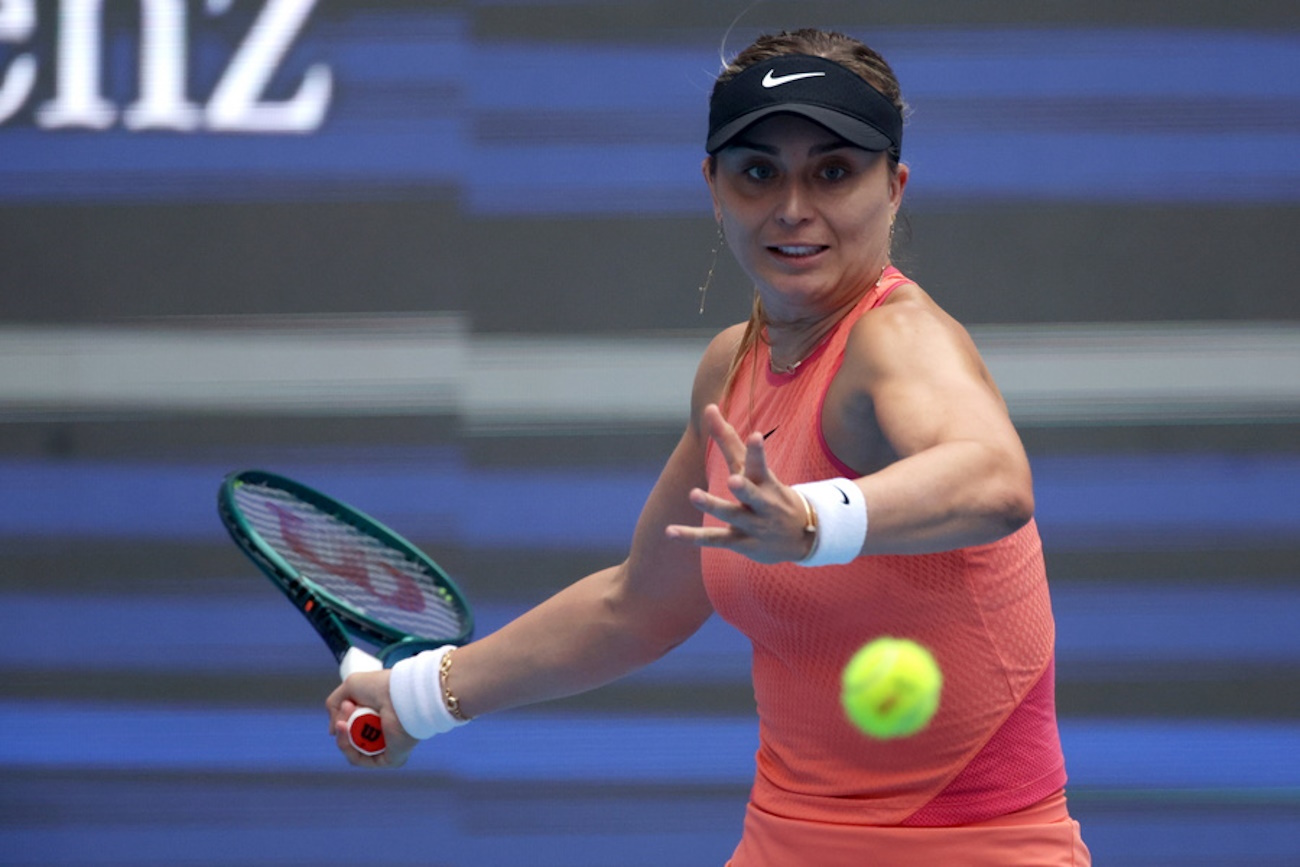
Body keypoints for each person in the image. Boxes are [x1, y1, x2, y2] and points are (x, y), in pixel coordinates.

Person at [327, 28, 1091, 866]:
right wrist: (416, 698)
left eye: (834, 171)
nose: (794, 206)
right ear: (713, 188)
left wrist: (812, 520)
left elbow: (993, 478)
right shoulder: (733, 366)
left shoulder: (897, 341)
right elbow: (635, 605)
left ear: (895, 187)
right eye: (758, 171)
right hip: (781, 842)